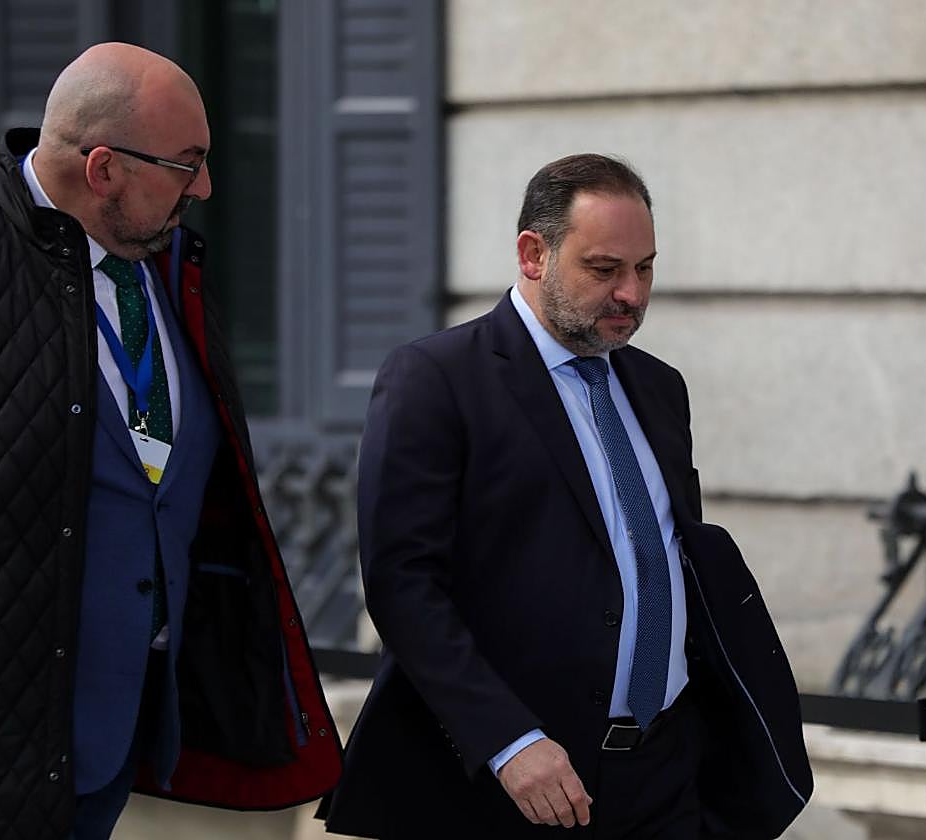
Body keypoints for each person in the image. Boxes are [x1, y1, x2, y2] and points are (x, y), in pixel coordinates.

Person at [319, 154, 813, 839]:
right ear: (533, 254)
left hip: (663, 774)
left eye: (645, 268)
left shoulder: (660, 388)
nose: (632, 294)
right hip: (515, 784)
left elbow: (662, 560)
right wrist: (508, 742)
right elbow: (403, 586)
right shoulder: (435, 378)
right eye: (605, 269)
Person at [0, 43, 341, 840]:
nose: (203, 188)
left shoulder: (166, 270)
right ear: (103, 169)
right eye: (186, 163)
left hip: (110, 743)